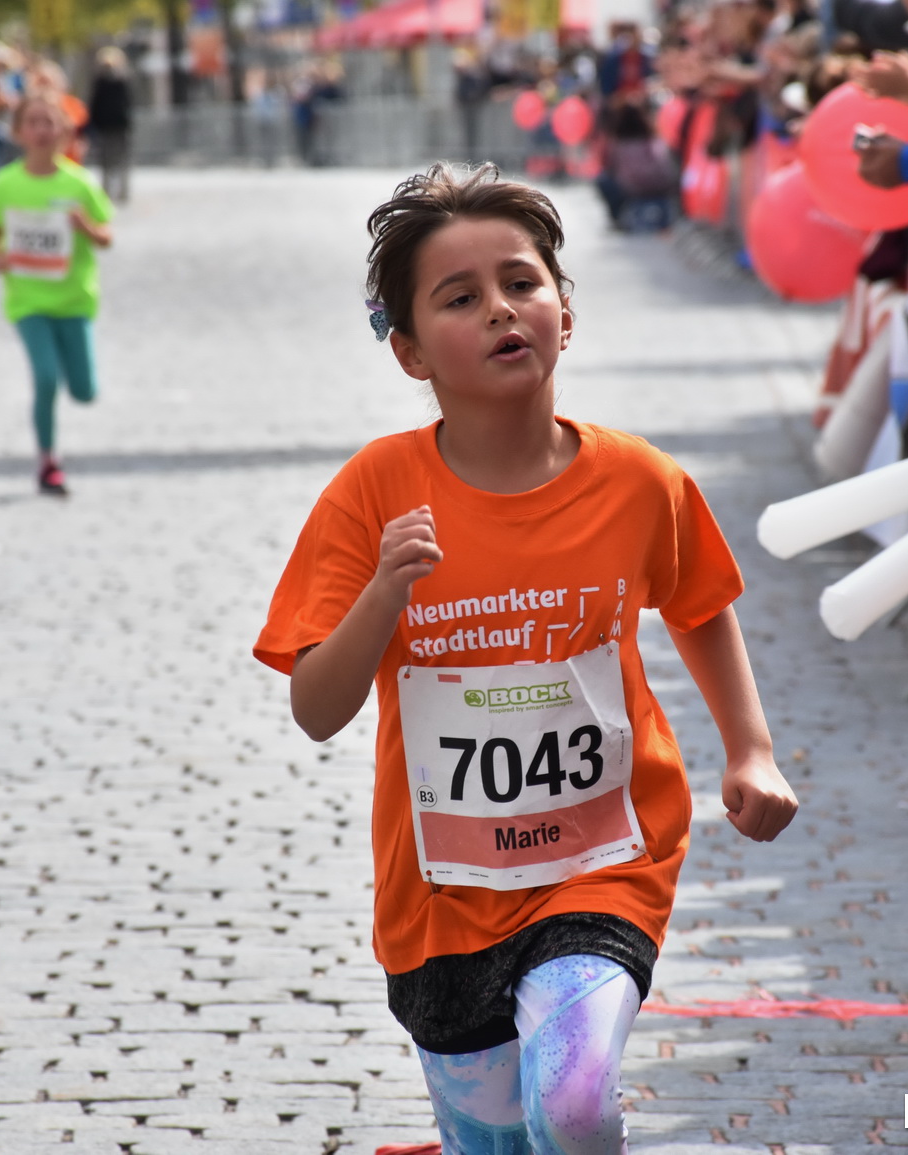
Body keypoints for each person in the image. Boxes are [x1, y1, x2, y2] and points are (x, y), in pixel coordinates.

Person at [252, 163, 799, 1155]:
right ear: (410, 351)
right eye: (460, 298)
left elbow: (701, 603)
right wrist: (386, 592)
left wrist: (749, 750)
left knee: (578, 1103)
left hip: (600, 866)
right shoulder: (374, 491)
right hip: (438, 900)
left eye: (521, 282)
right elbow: (315, 705)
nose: (501, 309)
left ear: (564, 309)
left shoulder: (638, 480)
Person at [0, 95, 114, 497]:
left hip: (74, 300)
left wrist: (85, 226)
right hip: (28, 301)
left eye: (49, 123)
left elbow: (107, 236)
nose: (41, 130)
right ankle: (47, 460)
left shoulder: (79, 183)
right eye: (33, 123)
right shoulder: (6, 184)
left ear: (64, 132)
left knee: (85, 391)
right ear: (19, 133)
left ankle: (53, 446)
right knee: (45, 378)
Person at [87, 46, 133, 204]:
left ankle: (114, 191)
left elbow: (94, 105)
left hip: (111, 126)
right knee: (115, 161)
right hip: (114, 126)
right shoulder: (119, 80)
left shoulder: (116, 80)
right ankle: (117, 192)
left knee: (112, 161)